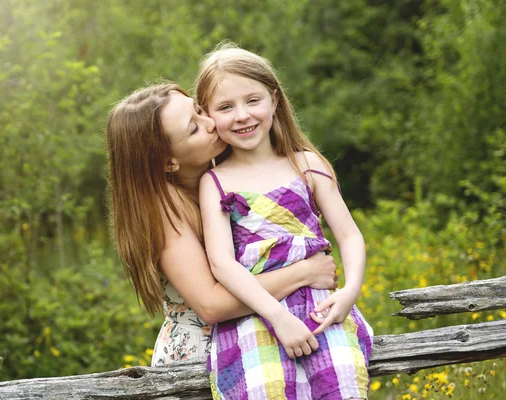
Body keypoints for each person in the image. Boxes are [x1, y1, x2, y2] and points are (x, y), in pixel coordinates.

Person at [105, 83, 339, 367]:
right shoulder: (164, 211)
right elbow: (211, 305)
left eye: (200, 111)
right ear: (169, 162)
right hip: (199, 360)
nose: (211, 122)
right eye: (194, 127)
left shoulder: (224, 178)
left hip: (259, 344)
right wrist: (304, 272)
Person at [195, 45, 373, 399]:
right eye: (226, 107)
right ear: (208, 115)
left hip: (321, 306)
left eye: (252, 100)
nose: (242, 116)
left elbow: (350, 237)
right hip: (254, 313)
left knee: (342, 385)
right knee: (267, 389)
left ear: (274, 100)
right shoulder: (214, 182)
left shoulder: (306, 164)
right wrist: (278, 317)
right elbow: (222, 264)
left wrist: (350, 292)